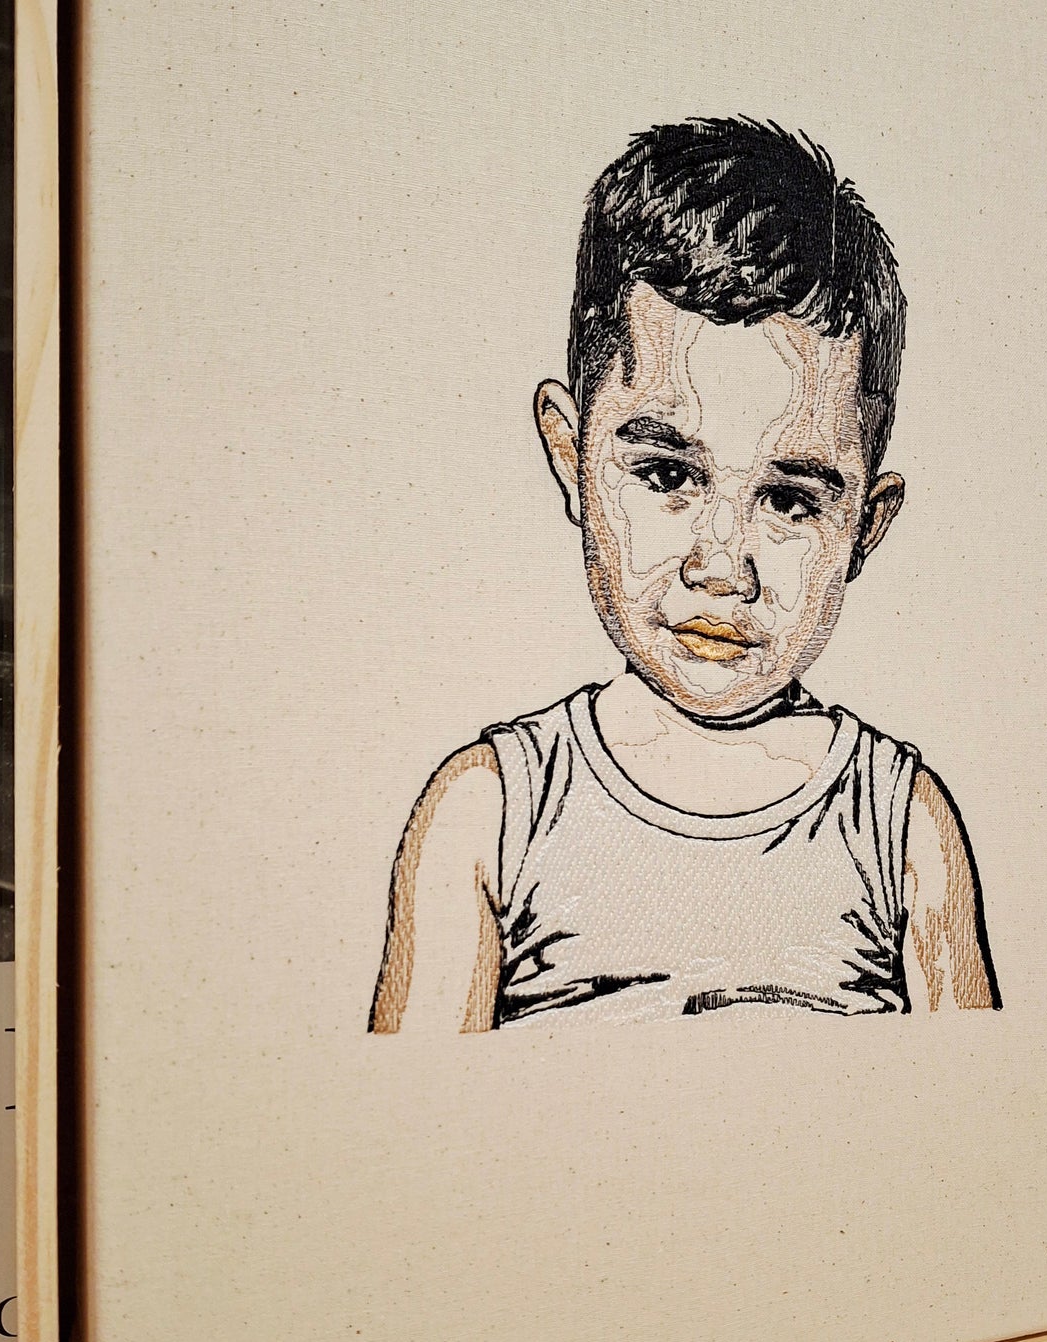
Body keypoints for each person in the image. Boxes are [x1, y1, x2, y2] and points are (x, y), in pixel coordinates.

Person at [370, 117, 999, 1032]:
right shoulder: (490, 812)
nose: (721, 568)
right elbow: (405, 1112)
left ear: (866, 526)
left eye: (790, 501)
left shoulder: (901, 827)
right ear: (569, 457)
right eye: (667, 476)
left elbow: (985, 1107)